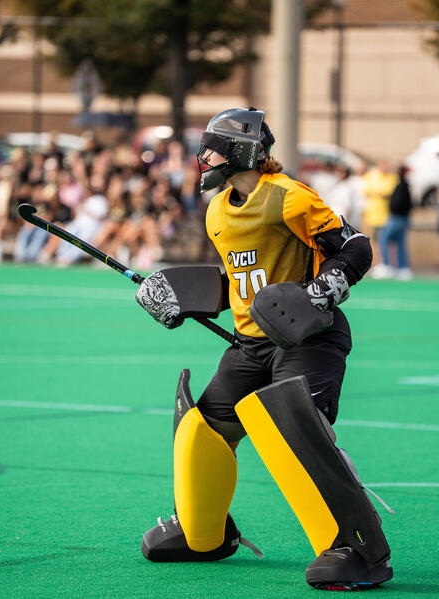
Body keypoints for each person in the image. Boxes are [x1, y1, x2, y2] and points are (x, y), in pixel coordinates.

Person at [133, 108, 392, 591]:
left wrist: (320, 291)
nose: (201, 157)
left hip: (309, 339)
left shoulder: (289, 198)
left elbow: (355, 248)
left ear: (239, 151)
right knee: (201, 430)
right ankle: (203, 534)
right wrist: (178, 297)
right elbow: (240, 278)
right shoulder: (216, 211)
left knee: (292, 431)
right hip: (251, 344)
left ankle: (358, 550)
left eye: (210, 147)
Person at [376, 165, 412, 280]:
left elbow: (398, 203)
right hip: (403, 218)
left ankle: (387, 266)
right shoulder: (404, 185)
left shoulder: (401, 185)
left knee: (384, 239)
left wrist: (393, 208)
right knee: (400, 242)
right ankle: (402, 267)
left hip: (397, 217)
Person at [361, 159, 397, 265]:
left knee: (386, 240)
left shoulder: (392, 178)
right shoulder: (371, 176)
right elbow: (366, 190)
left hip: (387, 215)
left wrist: (377, 193)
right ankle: (376, 261)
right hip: (372, 215)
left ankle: (386, 262)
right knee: (373, 240)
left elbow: (390, 192)